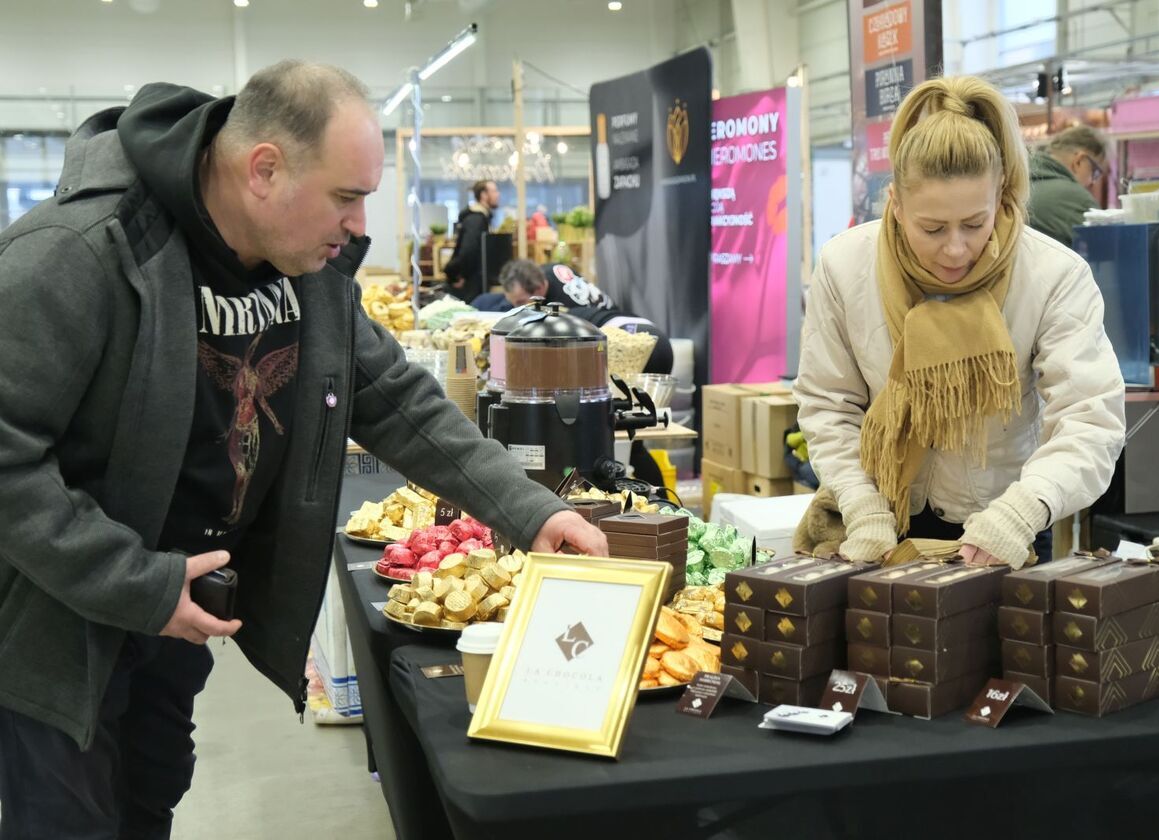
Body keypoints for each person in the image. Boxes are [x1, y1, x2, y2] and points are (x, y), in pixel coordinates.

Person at [0, 61, 606, 839]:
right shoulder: (80, 252)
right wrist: (134, 582)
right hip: (58, 633)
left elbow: (396, 399)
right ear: (264, 170)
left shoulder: (307, 272)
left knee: (145, 807)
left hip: (175, 618)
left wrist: (529, 509)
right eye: (347, 197)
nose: (360, 227)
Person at [794, 76, 1125, 569]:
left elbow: (1090, 419)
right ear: (896, 204)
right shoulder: (846, 267)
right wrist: (860, 504)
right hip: (880, 520)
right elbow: (828, 404)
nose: (955, 249)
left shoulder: (1052, 275)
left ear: (1002, 198)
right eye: (932, 228)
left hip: (999, 528)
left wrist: (1023, 510)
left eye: (975, 223)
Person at [500, 259, 673, 375]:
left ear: (537, 289)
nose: (519, 308)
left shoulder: (560, 311)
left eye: (521, 302)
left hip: (623, 337)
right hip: (642, 327)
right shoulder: (551, 270)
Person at [1027, 125, 1108, 247]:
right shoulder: (1078, 199)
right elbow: (1106, 250)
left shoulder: (1015, 182)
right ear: (1079, 161)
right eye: (1095, 173)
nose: (1093, 182)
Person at [443, 179, 499, 303]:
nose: (497, 194)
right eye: (494, 191)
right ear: (484, 195)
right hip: (468, 283)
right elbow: (469, 249)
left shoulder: (482, 217)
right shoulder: (476, 219)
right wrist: (460, 275)